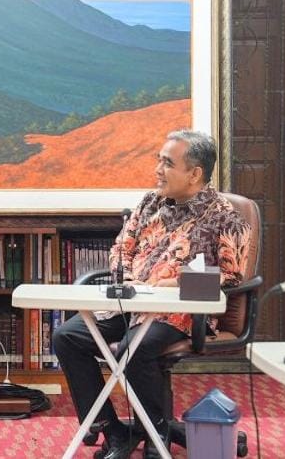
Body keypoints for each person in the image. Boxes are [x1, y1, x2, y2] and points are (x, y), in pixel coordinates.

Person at [52, 129, 252, 459]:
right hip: (130, 302)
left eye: (167, 163)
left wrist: (176, 284)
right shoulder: (150, 202)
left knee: (134, 348)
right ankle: (113, 430)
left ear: (194, 173)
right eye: (158, 160)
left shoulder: (225, 217)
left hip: (180, 313)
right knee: (67, 337)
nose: (158, 170)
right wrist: (125, 272)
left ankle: (156, 433)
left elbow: (231, 277)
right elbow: (121, 247)